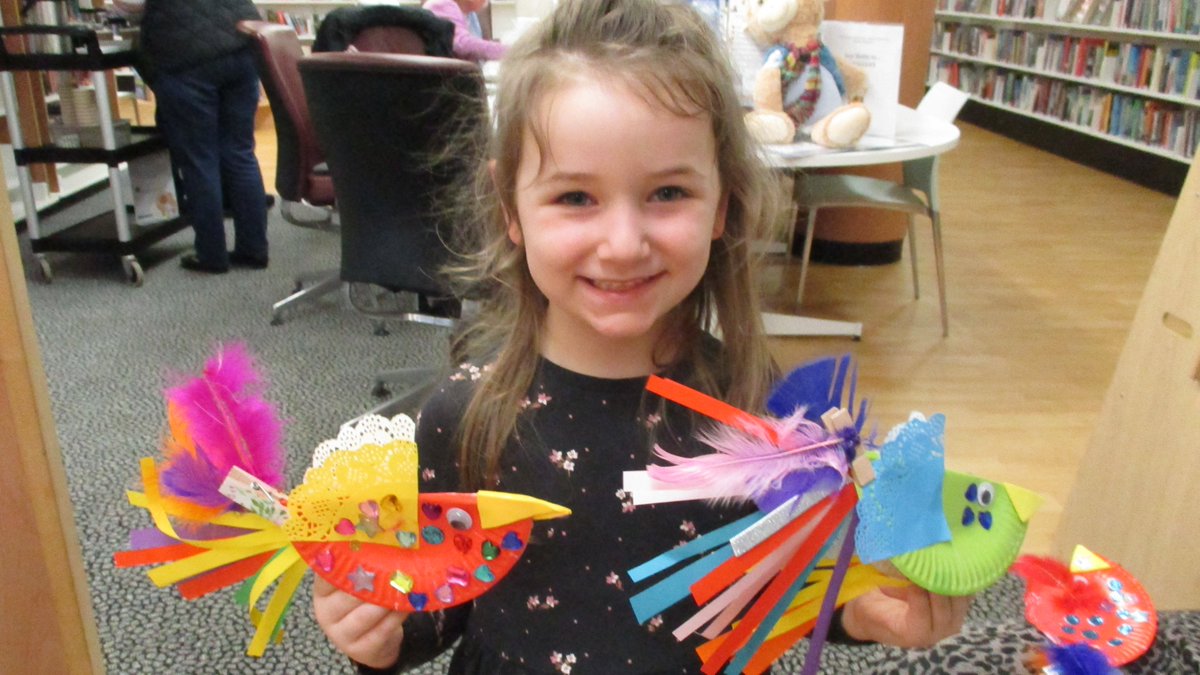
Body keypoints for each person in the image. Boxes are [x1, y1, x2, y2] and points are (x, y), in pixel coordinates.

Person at [313, 1, 970, 672]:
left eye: (667, 193)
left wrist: (859, 607)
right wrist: (378, 629)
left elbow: (787, 581)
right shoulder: (464, 416)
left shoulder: (765, 411)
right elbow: (436, 602)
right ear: (511, 208)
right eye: (575, 198)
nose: (623, 245)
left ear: (724, 201)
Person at [123, 0, 269, 274]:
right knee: (240, 153)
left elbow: (129, 4)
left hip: (185, 56)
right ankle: (254, 249)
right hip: (241, 44)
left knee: (200, 160)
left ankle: (211, 255)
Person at [422, 0, 507, 62]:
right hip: (448, 80)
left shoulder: (471, 15)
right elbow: (462, 44)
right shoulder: (441, 4)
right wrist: (511, 52)